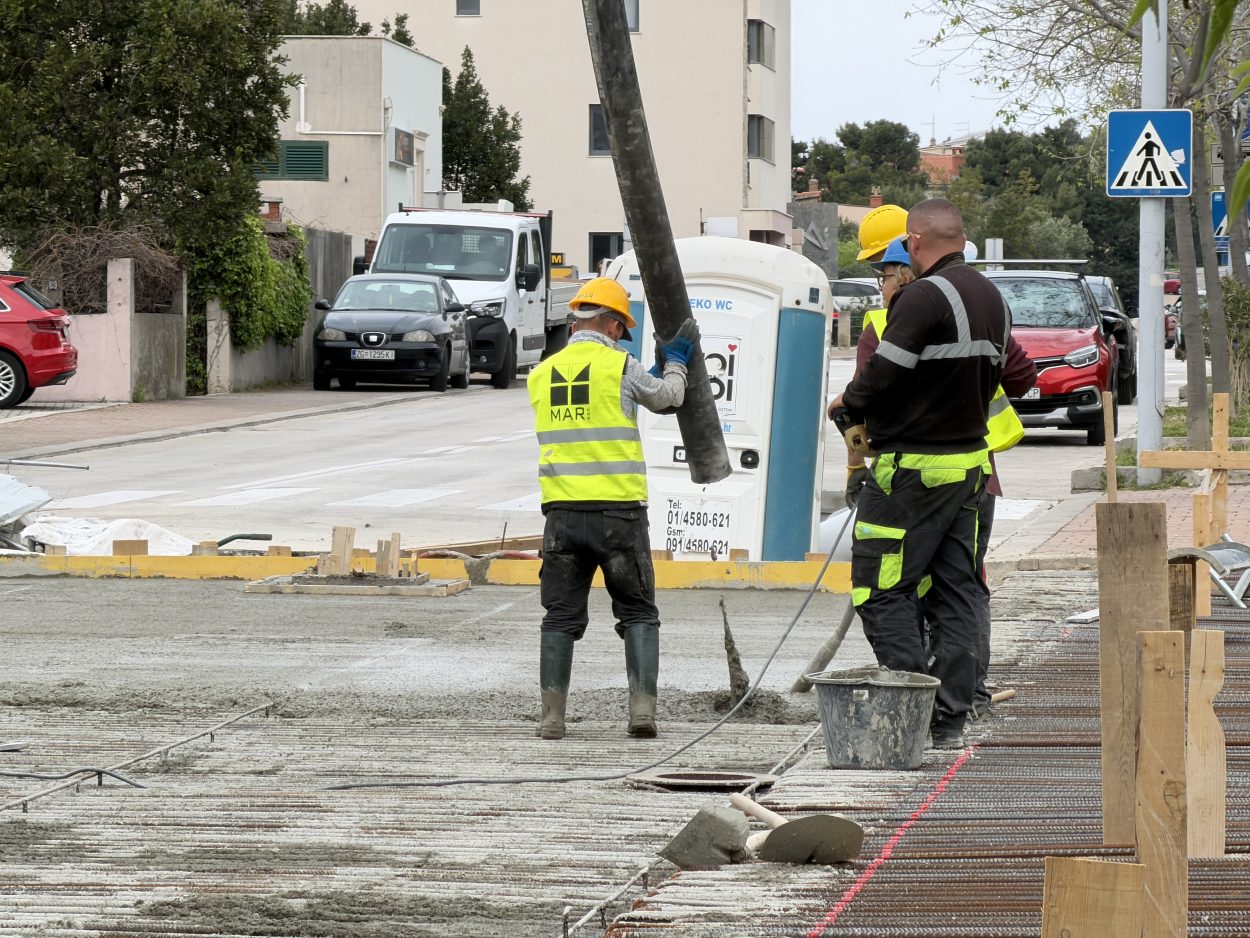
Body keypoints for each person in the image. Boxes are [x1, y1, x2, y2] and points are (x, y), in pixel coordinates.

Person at [828, 198, 1009, 749]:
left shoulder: (922, 298)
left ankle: (910, 709)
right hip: (970, 470)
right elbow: (1012, 377)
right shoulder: (991, 296)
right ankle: (951, 717)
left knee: (880, 589)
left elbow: (883, 374)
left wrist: (846, 406)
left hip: (912, 472)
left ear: (916, 241)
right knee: (957, 591)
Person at [526, 276, 699, 741]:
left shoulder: (542, 373)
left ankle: (552, 717)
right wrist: (677, 363)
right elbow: (668, 399)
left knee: (560, 616)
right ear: (607, 323)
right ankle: (642, 712)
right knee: (638, 611)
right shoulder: (619, 365)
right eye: (622, 326)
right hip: (619, 513)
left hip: (562, 515)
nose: (623, 334)